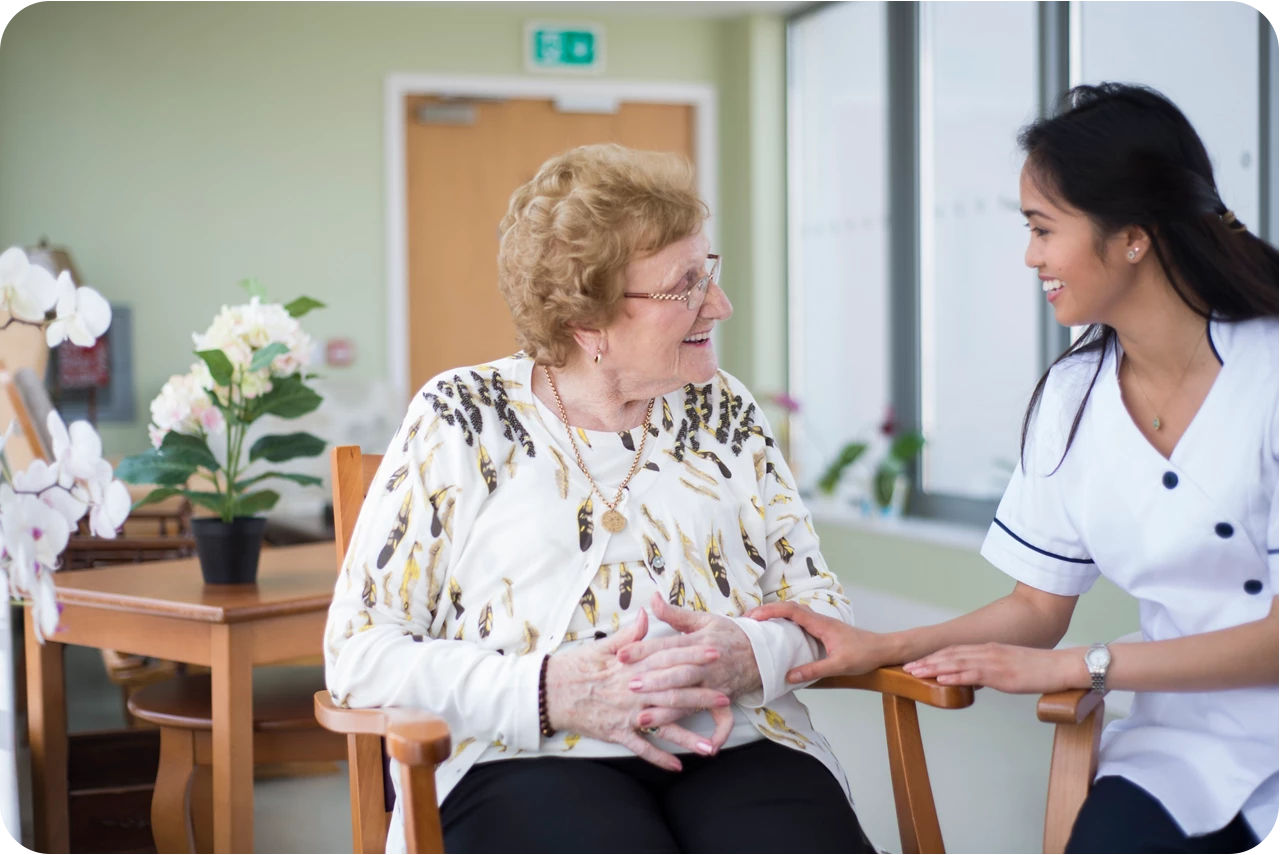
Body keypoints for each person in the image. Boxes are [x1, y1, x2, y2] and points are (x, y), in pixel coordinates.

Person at [753, 82, 1278, 854]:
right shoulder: (1073, 395)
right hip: (1183, 750)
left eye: (1043, 228)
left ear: (1133, 235)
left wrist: (1080, 666)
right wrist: (882, 645)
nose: (1030, 256)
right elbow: (1038, 602)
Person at [324, 143, 874, 853]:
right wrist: (547, 689)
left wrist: (750, 650)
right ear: (588, 324)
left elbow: (821, 604)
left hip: (735, 739)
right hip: (524, 752)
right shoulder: (461, 415)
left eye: (709, 271)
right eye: (684, 287)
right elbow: (358, 651)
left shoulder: (726, 412)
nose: (721, 303)